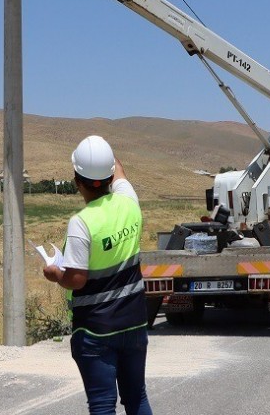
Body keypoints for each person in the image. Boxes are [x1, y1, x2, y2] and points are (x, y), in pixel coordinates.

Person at [43, 136, 152, 415]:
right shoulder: (129, 201)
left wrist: (55, 273)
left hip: (96, 329)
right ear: (109, 176)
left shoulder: (82, 223)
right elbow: (121, 172)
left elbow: (76, 279)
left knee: (103, 406)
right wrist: (104, 153)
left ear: (76, 181)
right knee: (137, 398)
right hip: (134, 322)